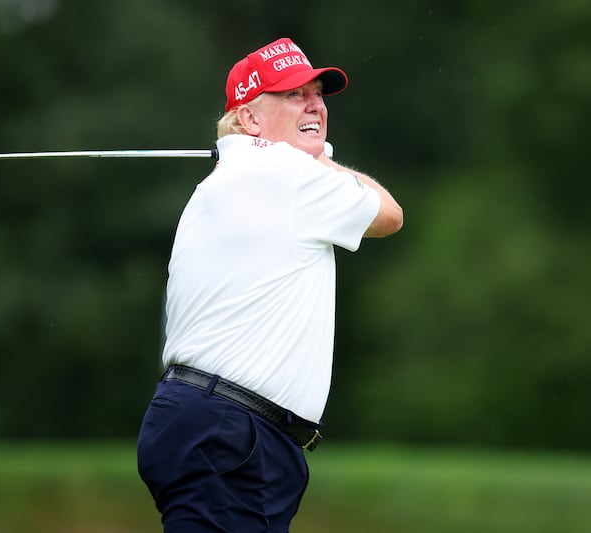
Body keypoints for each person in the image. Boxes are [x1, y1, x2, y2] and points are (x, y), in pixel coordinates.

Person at [137, 37, 403, 533]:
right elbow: (389, 215)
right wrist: (320, 158)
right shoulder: (284, 173)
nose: (314, 105)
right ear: (249, 119)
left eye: (317, 94)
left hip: (216, 425)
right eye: (293, 95)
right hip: (232, 432)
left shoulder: (233, 178)